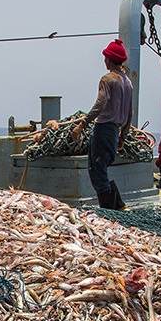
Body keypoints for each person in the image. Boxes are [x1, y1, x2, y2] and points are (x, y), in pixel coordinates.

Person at [71, 38, 133, 210]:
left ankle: (110, 210)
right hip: (114, 131)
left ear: (110, 59)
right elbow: (129, 111)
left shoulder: (108, 79)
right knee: (102, 169)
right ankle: (119, 205)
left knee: (96, 172)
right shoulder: (128, 82)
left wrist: (82, 124)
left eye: (106, 57)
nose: (104, 61)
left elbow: (100, 103)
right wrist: (123, 136)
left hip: (103, 129)